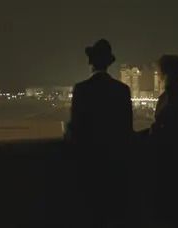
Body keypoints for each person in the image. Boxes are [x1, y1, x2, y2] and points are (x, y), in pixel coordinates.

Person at [65, 39, 134, 227]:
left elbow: (76, 127)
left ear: (90, 63)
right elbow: (127, 128)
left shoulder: (81, 89)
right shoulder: (122, 90)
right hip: (116, 163)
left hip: (89, 161)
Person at [145, 54, 178, 227]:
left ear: (166, 72)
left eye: (159, 71)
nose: (158, 74)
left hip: (171, 163)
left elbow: (165, 127)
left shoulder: (172, 96)